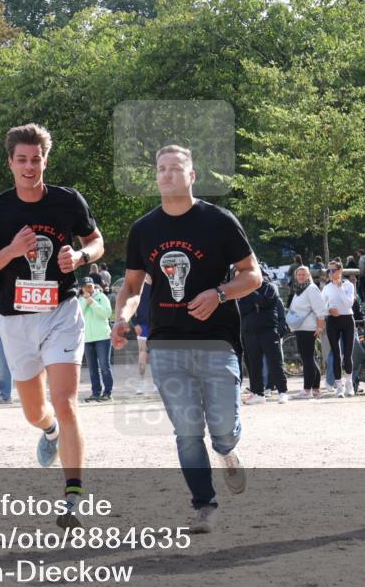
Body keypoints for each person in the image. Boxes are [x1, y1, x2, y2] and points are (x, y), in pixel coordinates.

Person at [112, 144, 261, 534]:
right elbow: (132, 287)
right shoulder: (143, 229)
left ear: (192, 176)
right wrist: (121, 317)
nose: (167, 174)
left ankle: (227, 452)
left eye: (175, 168)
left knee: (223, 430)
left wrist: (220, 294)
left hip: (217, 341)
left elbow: (253, 275)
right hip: (167, 345)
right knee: (188, 432)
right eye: (161, 168)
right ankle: (204, 504)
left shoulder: (219, 221)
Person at [0, 123, 105, 528]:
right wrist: (10, 251)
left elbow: (96, 242)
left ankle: (73, 497)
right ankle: (50, 431)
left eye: (36, 159)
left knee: (65, 400)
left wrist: (80, 257)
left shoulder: (67, 201)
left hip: (62, 313)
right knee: (34, 411)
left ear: (45, 161)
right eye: (22, 160)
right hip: (15, 320)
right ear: (10, 163)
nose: (29, 167)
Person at [239, 276, 288, 405]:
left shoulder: (270, 287)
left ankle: (282, 392)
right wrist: (256, 302)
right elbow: (241, 308)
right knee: (254, 365)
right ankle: (258, 393)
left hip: (268, 331)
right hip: (249, 333)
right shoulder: (243, 290)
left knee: (275, 362)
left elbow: (265, 302)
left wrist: (251, 293)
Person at [287, 265, 327, 399]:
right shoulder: (299, 289)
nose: (301, 276)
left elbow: (321, 309)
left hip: (308, 328)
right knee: (309, 358)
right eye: (299, 274)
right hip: (300, 327)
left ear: (309, 275)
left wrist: (320, 327)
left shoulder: (311, 289)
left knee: (307, 358)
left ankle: (306, 390)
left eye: (304, 274)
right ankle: (315, 389)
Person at [321, 260, 356, 398]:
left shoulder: (348, 285)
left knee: (347, 354)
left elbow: (349, 303)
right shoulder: (326, 288)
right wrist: (329, 310)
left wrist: (339, 287)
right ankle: (339, 386)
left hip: (347, 319)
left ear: (340, 271)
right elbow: (321, 306)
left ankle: (349, 384)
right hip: (332, 321)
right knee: (336, 354)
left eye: (332, 270)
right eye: (328, 271)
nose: (330, 273)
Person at [79, 278, 114, 402]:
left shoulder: (102, 297)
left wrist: (92, 302)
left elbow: (107, 313)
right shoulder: (80, 300)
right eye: (85, 286)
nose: (88, 288)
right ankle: (96, 392)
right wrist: (85, 300)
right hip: (87, 338)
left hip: (103, 337)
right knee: (92, 368)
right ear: (82, 288)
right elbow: (79, 314)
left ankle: (108, 393)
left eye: (90, 286)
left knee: (104, 366)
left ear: (94, 286)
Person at [132, 275, 154, 395]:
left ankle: (157, 383)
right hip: (143, 325)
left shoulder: (160, 284)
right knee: (143, 355)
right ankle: (141, 384)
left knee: (157, 355)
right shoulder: (138, 286)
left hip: (157, 326)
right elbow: (130, 305)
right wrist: (135, 323)